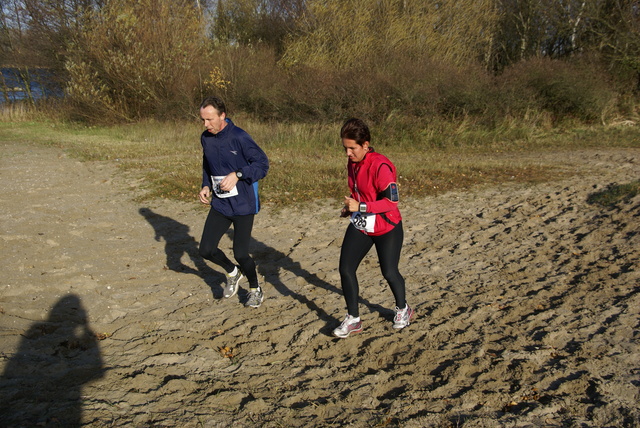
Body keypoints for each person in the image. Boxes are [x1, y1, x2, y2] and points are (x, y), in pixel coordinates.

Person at [333, 118, 413, 338]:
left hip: (387, 226)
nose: (348, 153)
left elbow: (391, 202)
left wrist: (361, 205)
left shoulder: (381, 165)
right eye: (345, 148)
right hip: (362, 223)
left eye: (352, 148)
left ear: (366, 145)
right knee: (346, 269)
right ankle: (353, 319)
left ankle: (403, 309)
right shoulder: (352, 162)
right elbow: (360, 191)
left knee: (389, 271)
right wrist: (351, 208)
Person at [197, 96, 269, 307]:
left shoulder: (239, 137)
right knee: (205, 250)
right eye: (202, 120)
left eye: (209, 119)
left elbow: (262, 165)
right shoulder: (206, 138)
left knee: (241, 253)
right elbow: (207, 164)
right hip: (220, 204)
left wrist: (238, 174)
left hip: (243, 205)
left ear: (223, 116)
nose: (205, 124)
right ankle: (232, 272)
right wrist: (205, 185)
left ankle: (255, 289)